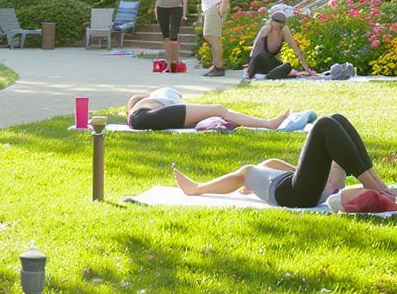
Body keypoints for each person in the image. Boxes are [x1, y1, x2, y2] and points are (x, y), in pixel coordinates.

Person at [172, 113, 397, 209]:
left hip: (315, 189)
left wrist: (288, 170)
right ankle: (379, 187)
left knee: (335, 120)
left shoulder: (258, 175)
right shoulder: (256, 178)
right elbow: (244, 176)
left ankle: (380, 186)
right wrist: (247, 182)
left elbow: (262, 167)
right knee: (325, 124)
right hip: (301, 194)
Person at [127, 90, 291, 131]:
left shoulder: (139, 109)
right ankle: (268, 124)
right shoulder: (154, 98)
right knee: (218, 109)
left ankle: (268, 124)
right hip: (144, 118)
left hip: (141, 120)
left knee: (215, 111)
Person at [248, 9, 314, 79]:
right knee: (264, 58)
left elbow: (296, 49)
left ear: (282, 24)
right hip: (259, 61)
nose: (276, 26)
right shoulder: (266, 29)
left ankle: (268, 75)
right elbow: (254, 49)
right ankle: (266, 75)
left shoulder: (284, 30)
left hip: (270, 62)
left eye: (279, 24)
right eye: (275, 22)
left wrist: (307, 69)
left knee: (287, 66)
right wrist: (250, 70)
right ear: (271, 22)